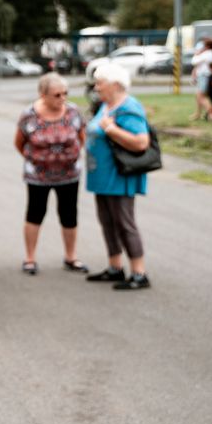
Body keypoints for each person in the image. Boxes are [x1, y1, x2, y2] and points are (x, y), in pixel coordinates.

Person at [85, 62, 152, 290]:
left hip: (119, 176)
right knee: (107, 222)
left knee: (124, 222)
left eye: (100, 83)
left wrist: (111, 129)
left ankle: (139, 272)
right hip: (102, 177)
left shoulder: (129, 107)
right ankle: (115, 267)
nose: (96, 87)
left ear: (115, 84)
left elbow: (141, 142)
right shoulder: (105, 106)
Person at [14, 73, 86, 275]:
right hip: (38, 176)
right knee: (35, 212)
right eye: (57, 95)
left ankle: (71, 256)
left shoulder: (73, 112)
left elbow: (81, 138)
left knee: (69, 213)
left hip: (68, 174)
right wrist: (36, 160)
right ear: (43, 95)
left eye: (65, 93)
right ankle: (30, 258)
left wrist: (68, 157)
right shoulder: (29, 115)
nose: (62, 98)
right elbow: (19, 142)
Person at [190, 38, 212, 122]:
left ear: (207, 46)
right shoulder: (210, 53)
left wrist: (197, 53)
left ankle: (211, 111)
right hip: (204, 77)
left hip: (204, 77)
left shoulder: (208, 53)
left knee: (201, 97)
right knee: (199, 96)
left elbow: (194, 61)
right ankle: (199, 113)